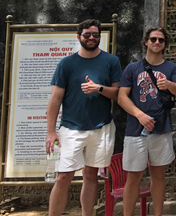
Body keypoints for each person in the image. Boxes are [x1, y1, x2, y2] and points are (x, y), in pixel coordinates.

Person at [45, 19, 122, 216]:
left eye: (95, 35)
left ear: (100, 37)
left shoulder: (111, 61)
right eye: (87, 34)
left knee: (91, 175)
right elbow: (55, 99)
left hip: (101, 126)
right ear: (79, 37)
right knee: (63, 177)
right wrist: (51, 131)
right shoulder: (67, 64)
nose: (91, 38)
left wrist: (99, 88)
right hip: (71, 128)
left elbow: (118, 94)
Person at [118, 27, 176, 216]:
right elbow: (122, 97)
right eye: (153, 39)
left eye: (161, 40)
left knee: (158, 174)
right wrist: (139, 115)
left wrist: (169, 85)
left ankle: (157, 214)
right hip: (135, 129)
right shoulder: (133, 68)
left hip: (161, 128)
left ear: (165, 44)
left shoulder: (171, 68)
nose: (157, 43)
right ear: (146, 41)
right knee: (134, 176)